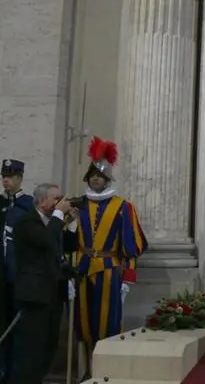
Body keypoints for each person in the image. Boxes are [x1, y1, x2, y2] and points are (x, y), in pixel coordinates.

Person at [71, 137, 148, 378]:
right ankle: (86, 371)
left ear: (107, 179)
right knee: (83, 325)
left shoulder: (123, 207)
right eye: (92, 174)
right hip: (81, 269)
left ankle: (105, 372)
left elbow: (131, 246)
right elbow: (66, 243)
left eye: (99, 175)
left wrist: (128, 278)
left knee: (107, 323)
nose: (95, 178)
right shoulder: (77, 204)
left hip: (109, 269)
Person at [8, 183, 77, 384]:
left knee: (49, 346)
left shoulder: (51, 222)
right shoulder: (27, 223)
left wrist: (71, 224)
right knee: (32, 350)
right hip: (34, 296)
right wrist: (58, 215)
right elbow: (46, 241)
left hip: (53, 294)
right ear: (41, 201)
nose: (59, 202)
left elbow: (68, 246)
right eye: (55, 198)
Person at [0, 160, 34, 384]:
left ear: (20, 178)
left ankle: (18, 374)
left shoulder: (29, 205)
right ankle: (1, 370)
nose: (6, 180)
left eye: (11, 175)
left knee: (19, 328)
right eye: (4, 175)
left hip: (20, 276)